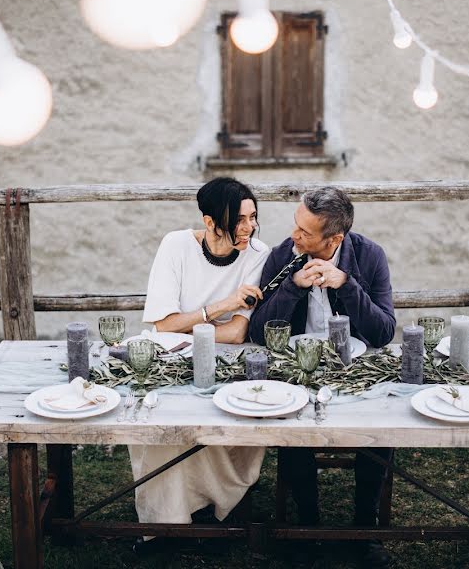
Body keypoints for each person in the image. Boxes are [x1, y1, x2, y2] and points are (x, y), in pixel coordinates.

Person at [247, 186, 396, 567]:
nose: (294, 235)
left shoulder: (369, 255)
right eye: (296, 225)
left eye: (305, 232)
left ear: (335, 239)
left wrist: (346, 285)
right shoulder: (283, 255)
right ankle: (306, 527)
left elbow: (382, 333)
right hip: (296, 368)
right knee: (292, 425)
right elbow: (259, 331)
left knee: (379, 428)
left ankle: (365, 530)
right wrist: (293, 288)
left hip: (356, 368)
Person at [130, 177, 269, 547]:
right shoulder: (175, 245)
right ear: (210, 222)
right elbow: (161, 324)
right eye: (239, 220)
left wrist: (186, 324)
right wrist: (220, 307)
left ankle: (222, 502)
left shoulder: (258, 253)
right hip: (170, 356)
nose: (249, 227)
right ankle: (167, 521)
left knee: (229, 412)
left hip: (229, 358)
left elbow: (237, 334)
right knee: (163, 420)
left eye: (253, 217)